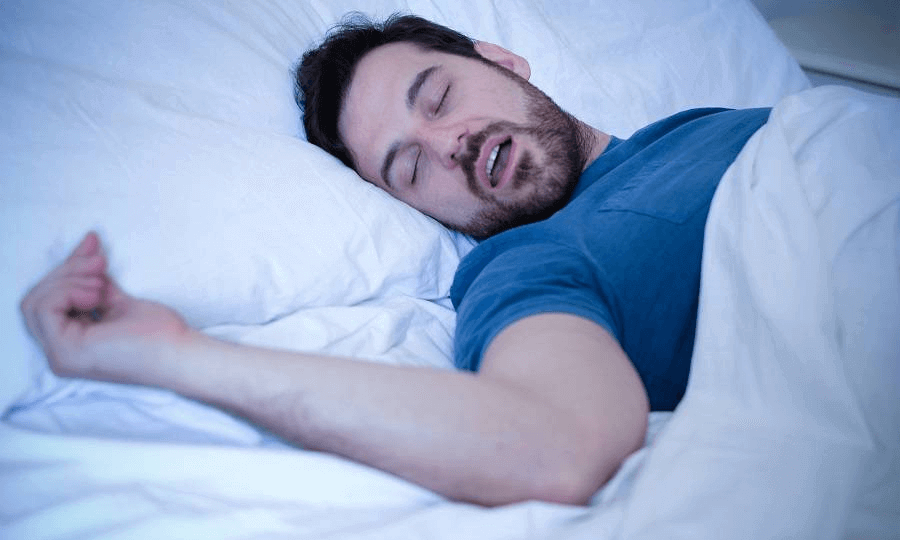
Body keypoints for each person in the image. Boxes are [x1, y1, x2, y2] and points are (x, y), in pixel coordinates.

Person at [19, 14, 770, 507]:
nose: (449, 143)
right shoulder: (526, 264)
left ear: (504, 62)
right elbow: (560, 443)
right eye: (409, 168)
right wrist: (176, 354)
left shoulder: (712, 127)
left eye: (438, 97)